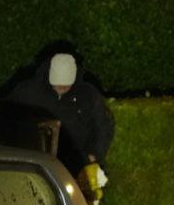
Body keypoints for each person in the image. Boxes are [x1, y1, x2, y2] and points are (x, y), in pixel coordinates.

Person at [6, 52, 116, 181]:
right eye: (57, 86)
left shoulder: (88, 95)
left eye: (66, 86)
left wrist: (94, 154)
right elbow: (6, 117)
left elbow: (104, 126)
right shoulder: (29, 91)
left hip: (77, 166)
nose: (61, 89)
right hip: (37, 164)